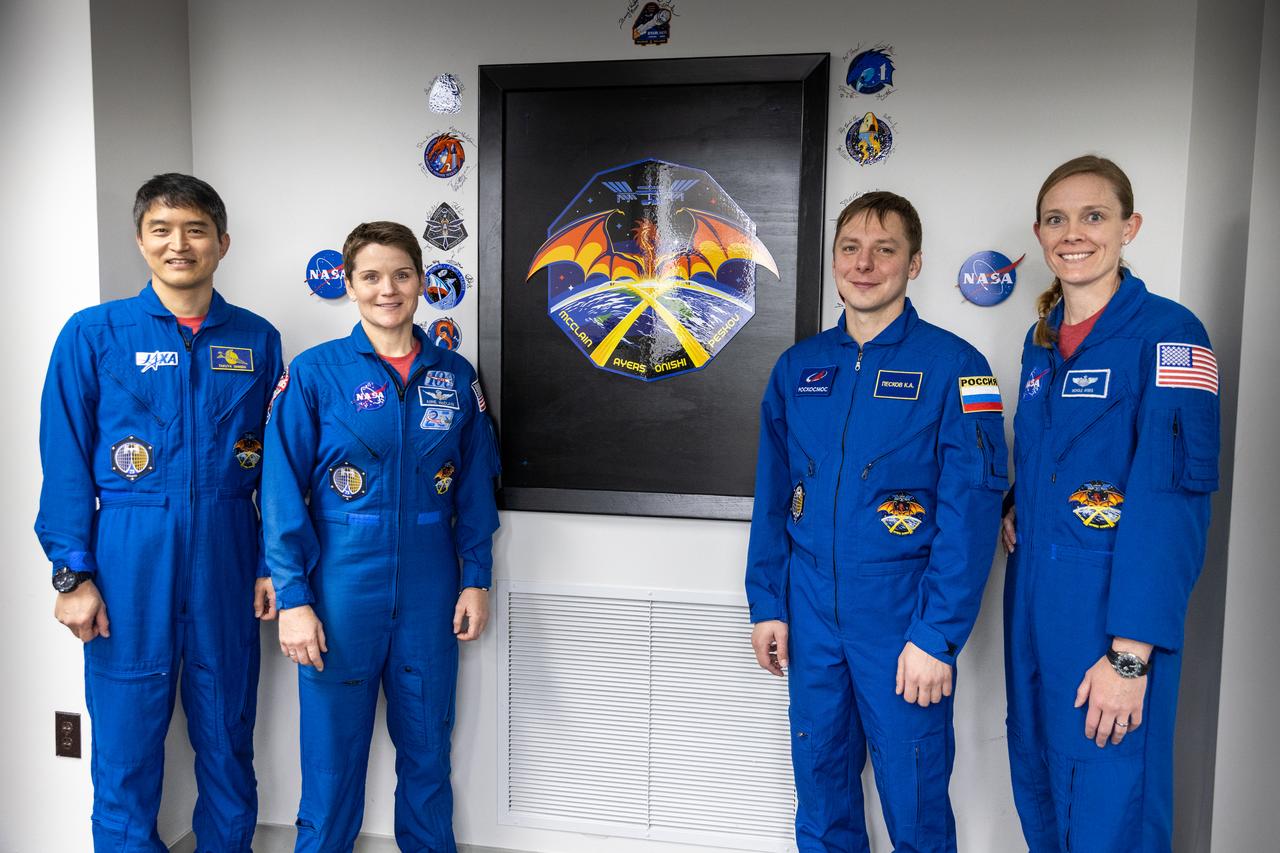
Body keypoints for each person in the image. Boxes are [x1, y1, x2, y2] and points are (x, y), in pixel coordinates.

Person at [746, 192, 1008, 852]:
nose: (865, 264)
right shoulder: (797, 369)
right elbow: (773, 498)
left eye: (885, 249)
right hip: (810, 618)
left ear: (914, 263)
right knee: (823, 792)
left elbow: (972, 515)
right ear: (834, 260)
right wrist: (767, 604)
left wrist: (936, 635)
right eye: (850, 249)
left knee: (915, 804)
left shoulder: (959, 368)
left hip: (902, 624)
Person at [36, 173, 283, 851]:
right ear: (140, 240)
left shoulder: (258, 340)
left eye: (196, 229)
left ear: (222, 243)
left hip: (228, 553)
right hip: (126, 556)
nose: (180, 244)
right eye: (163, 229)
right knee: (124, 745)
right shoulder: (92, 334)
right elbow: (63, 462)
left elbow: (281, 471)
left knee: (228, 738)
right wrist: (72, 574)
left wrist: (271, 565)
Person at [1001, 155, 1220, 852]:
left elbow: (1171, 505)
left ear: (1130, 227)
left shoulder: (1171, 335)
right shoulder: (1039, 347)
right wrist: (1018, 506)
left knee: (1111, 812)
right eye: (1058, 219)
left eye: (1094, 216)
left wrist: (1130, 657)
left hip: (1110, 621)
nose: (1075, 233)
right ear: (1039, 233)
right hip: (1032, 610)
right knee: (1040, 791)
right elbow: (1054, 462)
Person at [263, 221, 500, 852]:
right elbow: (282, 492)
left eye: (400, 274)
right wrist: (293, 599)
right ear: (349, 284)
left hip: (430, 583)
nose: (386, 289)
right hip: (342, 585)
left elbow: (476, 488)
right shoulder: (314, 374)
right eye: (370, 276)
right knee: (332, 761)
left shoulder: (454, 375)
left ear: (422, 282)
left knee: (426, 753)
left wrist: (476, 578)